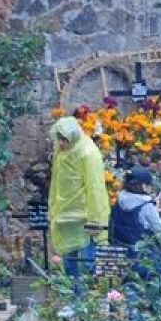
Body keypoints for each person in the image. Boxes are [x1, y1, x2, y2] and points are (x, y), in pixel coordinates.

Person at [48, 116, 109, 283]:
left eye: (64, 139)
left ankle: (93, 294)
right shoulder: (61, 152)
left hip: (85, 218)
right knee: (69, 263)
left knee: (89, 263)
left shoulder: (88, 153)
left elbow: (95, 188)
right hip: (65, 217)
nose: (61, 143)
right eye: (59, 139)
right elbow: (56, 183)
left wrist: (95, 220)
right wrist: (53, 209)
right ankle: (73, 293)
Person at [109, 165, 161, 247]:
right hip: (141, 253)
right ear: (139, 187)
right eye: (147, 184)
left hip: (118, 249)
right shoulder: (147, 206)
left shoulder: (118, 199)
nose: (149, 187)